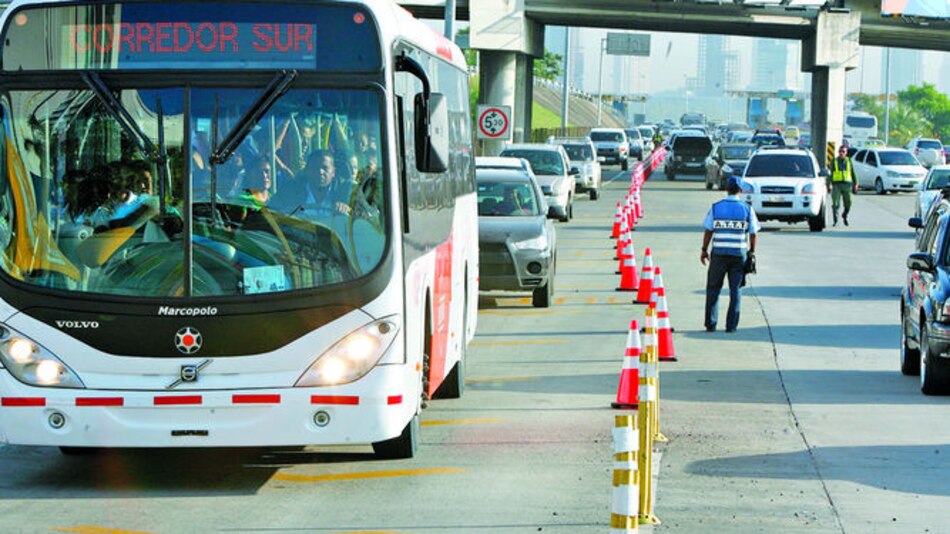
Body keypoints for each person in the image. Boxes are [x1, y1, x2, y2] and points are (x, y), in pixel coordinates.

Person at [700, 176, 760, 333]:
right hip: (738, 256)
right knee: (736, 290)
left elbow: (708, 230)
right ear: (740, 190)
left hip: (719, 254)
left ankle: (710, 323)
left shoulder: (716, 207)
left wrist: (704, 250)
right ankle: (731, 325)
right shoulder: (747, 209)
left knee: (713, 288)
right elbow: (753, 233)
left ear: (726, 189)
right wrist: (752, 251)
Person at [827, 145, 858, 226]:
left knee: (849, 202)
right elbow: (830, 173)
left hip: (847, 185)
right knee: (835, 203)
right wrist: (828, 183)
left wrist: (856, 183)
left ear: (846, 153)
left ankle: (845, 214)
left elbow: (853, 173)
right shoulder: (834, 161)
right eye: (840, 151)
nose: (841, 153)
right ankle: (835, 220)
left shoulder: (849, 161)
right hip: (836, 185)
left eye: (843, 151)